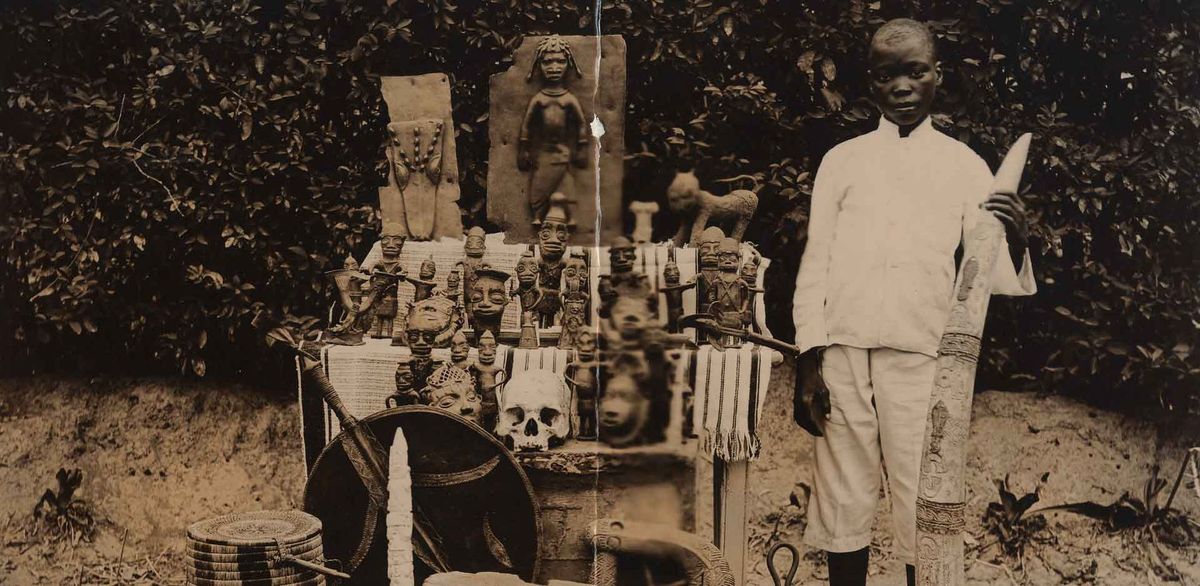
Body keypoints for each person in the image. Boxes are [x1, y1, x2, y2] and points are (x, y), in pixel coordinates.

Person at [791, 18, 1037, 586]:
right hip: (842, 351)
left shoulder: (964, 166)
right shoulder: (843, 161)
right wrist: (808, 356)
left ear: (937, 76)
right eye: (887, 75)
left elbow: (986, 275)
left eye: (915, 72)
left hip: (923, 356)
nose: (902, 86)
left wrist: (1019, 239)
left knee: (920, 499)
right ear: (870, 82)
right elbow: (816, 260)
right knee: (843, 498)